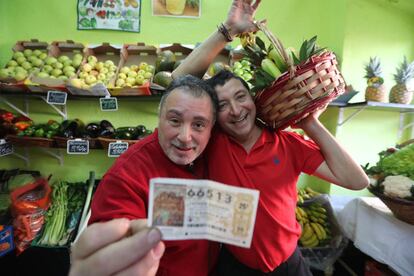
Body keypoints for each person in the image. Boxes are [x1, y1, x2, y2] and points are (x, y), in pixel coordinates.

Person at [172, 0, 370, 275]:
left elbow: (357, 180)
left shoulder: (287, 143)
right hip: (233, 264)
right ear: (214, 116)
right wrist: (227, 30)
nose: (236, 109)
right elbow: (175, 85)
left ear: (253, 99)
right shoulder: (213, 142)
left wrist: (310, 124)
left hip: (288, 264)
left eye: (240, 97)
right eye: (223, 105)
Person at [69, 75, 220, 276]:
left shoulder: (212, 155)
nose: (185, 137)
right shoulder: (126, 176)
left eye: (199, 125)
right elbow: (113, 250)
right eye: (174, 121)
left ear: (212, 129)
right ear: (159, 118)